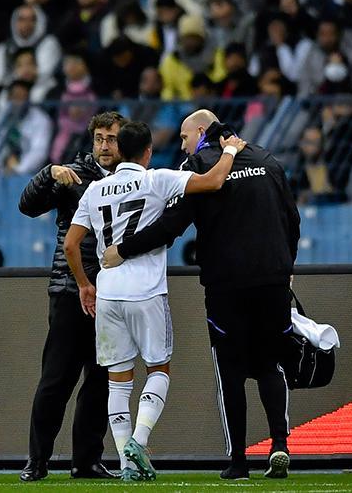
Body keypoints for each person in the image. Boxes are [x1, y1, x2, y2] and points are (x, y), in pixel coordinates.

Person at [103, 110, 299, 481]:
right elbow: (292, 219)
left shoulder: (199, 166)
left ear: (201, 133)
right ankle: (279, 446)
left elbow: (170, 226)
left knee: (231, 372)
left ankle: (239, 460)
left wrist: (123, 249)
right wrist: (286, 267)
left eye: (184, 136)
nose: (181, 144)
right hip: (272, 279)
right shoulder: (265, 158)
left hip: (227, 284)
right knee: (272, 363)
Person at [66, 119, 247, 481]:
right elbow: (212, 181)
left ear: (118, 151)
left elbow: (71, 244)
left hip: (108, 291)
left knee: (118, 379)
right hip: (146, 290)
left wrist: (85, 284)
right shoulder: (155, 179)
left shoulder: (95, 190)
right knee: (159, 369)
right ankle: (139, 439)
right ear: (147, 151)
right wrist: (230, 150)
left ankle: (125, 464)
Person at [17, 111, 127, 482]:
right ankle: (37, 460)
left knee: (99, 382)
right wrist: (48, 172)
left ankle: (86, 461)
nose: (104, 145)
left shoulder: (134, 179)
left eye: (111, 139)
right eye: (99, 138)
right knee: (56, 380)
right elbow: (27, 206)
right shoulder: (73, 174)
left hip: (113, 295)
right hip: (70, 289)